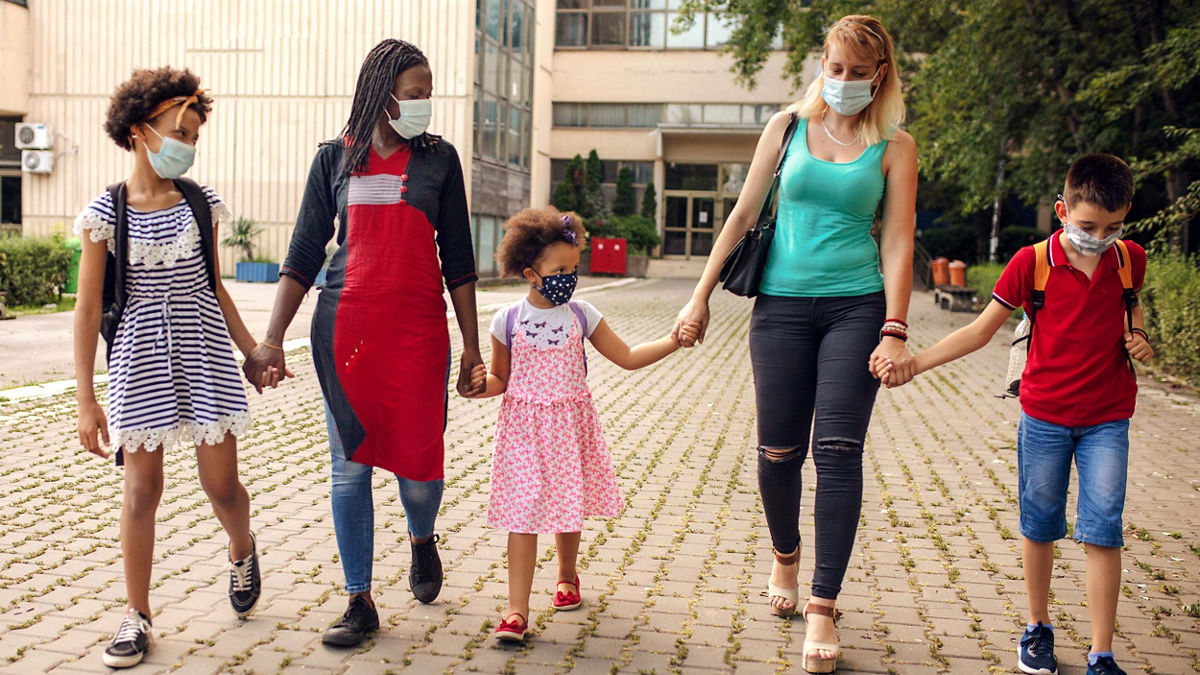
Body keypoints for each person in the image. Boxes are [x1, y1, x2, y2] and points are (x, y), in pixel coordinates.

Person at [672, 14, 917, 673]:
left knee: (838, 452)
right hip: (779, 308)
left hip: (857, 307)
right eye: (833, 69)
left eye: (856, 73)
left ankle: (823, 604)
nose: (841, 81)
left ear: (879, 76)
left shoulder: (895, 145)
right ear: (822, 66)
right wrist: (698, 296)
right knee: (779, 452)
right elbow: (744, 214)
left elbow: (896, 240)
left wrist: (895, 325)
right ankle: (785, 554)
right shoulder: (785, 128)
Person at [240, 39, 485, 647]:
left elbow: (458, 259)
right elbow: (302, 253)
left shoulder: (440, 162)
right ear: (382, 93)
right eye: (415, 91)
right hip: (345, 333)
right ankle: (359, 599)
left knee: (420, 473)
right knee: (349, 470)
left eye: (429, 93)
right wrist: (271, 340)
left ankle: (422, 538)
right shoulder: (335, 160)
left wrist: (473, 349)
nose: (425, 103)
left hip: (420, 334)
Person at [880, 154, 1151, 675]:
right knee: (1040, 523)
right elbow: (980, 331)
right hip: (1045, 415)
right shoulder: (1033, 262)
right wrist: (914, 363)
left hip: (1108, 417)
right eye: (1089, 225)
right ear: (1062, 210)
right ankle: (1037, 628)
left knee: (1104, 529)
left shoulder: (1128, 257)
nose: (1101, 236)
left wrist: (1137, 333)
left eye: (1113, 227)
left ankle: (1102, 653)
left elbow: (1131, 302)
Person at [73, 67, 266, 668]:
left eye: (195, 135)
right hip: (137, 361)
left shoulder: (200, 202)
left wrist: (253, 349)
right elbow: (85, 311)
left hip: (205, 353)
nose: (186, 144)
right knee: (140, 492)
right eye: (177, 131)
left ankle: (242, 548)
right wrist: (86, 398)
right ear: (139, 131)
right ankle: (138, 615)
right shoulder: (106, 212)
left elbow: (216, 289)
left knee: (222, 486)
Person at [471, 208, 699, 642]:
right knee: (522, 515)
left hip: (569, 427)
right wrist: (479, 387)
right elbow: (501, 379)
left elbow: (628, 357)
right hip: (522, 431)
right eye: (559, 270)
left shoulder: (582, 315)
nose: (569, 278)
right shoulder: (507, 320)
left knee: (566, 503)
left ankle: (567, 575)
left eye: (574, 269)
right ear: (530, 273)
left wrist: (674, 341)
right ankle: (516, 612)